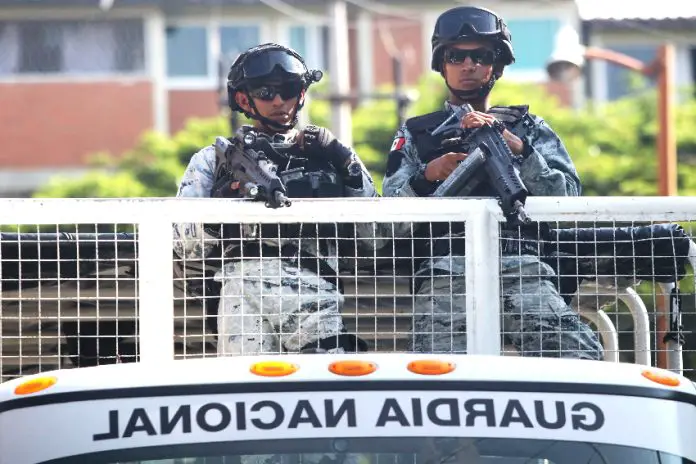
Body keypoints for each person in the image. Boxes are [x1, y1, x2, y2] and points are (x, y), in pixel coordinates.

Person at [381, 6, 603, 360]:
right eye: (456, 56)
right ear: (442, 63)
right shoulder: (418, 133)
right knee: (436, 372)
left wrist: (521, 152)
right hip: (445, 270)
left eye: (480, 56)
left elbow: (568, 199)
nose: (468, 65)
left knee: (578, 357)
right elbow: (385, 218)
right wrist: (428, 176)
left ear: (495, 66)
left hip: (521, 266)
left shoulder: (528, 127)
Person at [173, 43, 378, 356]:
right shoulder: (214, 160)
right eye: (266, 93)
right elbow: (179, 243)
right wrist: (220, 207)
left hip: (313, 290)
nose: (279, 101)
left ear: (302, 94)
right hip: (241, 295)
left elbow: (376, 238)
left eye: (289, 90)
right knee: (245, 393)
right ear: (244, 99)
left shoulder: (330, 155)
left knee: (323, 387)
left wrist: (346, 163)